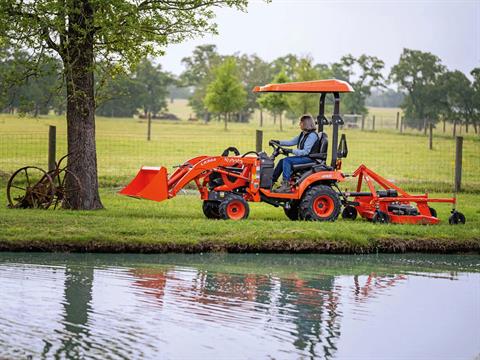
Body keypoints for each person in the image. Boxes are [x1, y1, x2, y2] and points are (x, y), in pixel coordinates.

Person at [269, 114, 321, 193]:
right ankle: (271, 182)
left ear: (306, 123)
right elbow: (291, 142)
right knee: (282, 161)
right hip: (304, 157)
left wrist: (290, 151)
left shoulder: (312, 136)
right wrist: (278, 142)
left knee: (287, 160)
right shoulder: (303, 134)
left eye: (301, 123)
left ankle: (286, 185)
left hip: (310, 158)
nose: (299, 124)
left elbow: (305, 151)